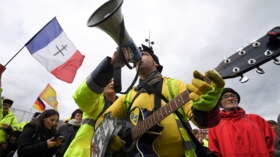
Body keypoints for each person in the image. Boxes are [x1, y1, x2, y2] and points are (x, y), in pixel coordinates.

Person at [88, 45, 224, 157]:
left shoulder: (174, 84)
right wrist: (111, 137)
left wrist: (206, 105)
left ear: (156, 63)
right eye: (137, 56)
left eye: (144, 54)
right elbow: (103, 119)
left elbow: (203, 122)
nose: (139, 57)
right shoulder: (128, 95)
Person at [208, 87, 276, 157]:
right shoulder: (214, 125)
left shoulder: (256, 119)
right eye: (225, 97)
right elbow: (215, 152)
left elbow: (274, 145)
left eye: (233, 95)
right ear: (220, 104)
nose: (230, 98)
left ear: (237, 100)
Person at [63, 78, 118, 157]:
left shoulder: (123, 105)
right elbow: (82, 96)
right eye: (109, 81)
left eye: (114, 81)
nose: (112, 83)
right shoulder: (96, 100)